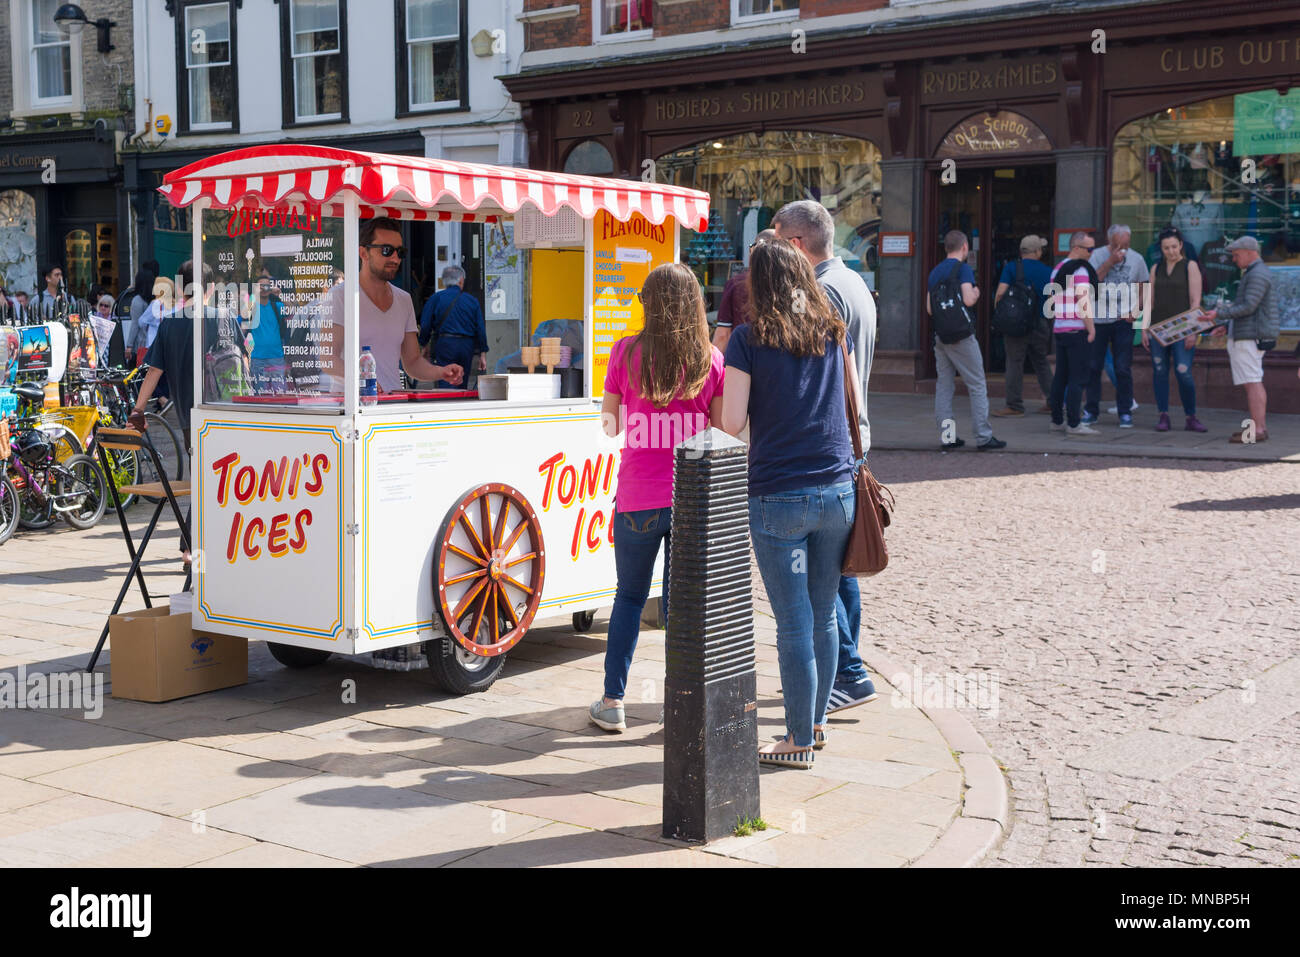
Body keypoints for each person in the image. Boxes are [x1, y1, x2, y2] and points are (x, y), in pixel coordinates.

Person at [722, 239, 859, 768]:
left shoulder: (748, 339)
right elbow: (850, 402)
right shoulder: (832, 329)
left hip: (778, 493)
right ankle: (816, 725)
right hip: (838, 491)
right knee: (823, 613)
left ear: (759, 284)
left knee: (793, 621)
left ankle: (798, 738)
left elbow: (732, 423)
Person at [589, 263, 725, 733]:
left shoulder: (624, 352)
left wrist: (641, 418)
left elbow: (610, 425)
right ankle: (679, 704)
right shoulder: (710, 359)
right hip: (690, 498)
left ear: (647, 304)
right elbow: (721, 432)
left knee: (628, 597)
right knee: (680, 606)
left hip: (637, 497)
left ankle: (612, 701)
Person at [771, 200, 879, 714]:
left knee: (826, 578)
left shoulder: (825, 291)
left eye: (774, 239)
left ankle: (849, 671)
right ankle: (842, 670)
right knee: (840, 567)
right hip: (849, 443)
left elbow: (814, 381)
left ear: (794, 245)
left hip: (829, 449)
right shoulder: (853, 281)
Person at [324, 217, 462, 392]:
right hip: (352, 407)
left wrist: (442, 372)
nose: (396, 259)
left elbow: (412, 362)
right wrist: (361, 381)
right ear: (363, 253)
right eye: (387, 250)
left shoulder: (404, 299)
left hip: (392, 404)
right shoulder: (340, 295)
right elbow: (328, 358)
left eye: (400, 252)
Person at [927, 230, 1006, 451]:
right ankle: (983, 436)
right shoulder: (963, 270)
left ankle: (948, 437)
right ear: (964, 247)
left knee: (944, 385)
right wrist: (978, 292)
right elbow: (969, 300)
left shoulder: (934, 273)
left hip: (941, 336)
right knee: (977, 384)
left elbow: (929, 308)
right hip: (962, 336)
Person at [1202, 236, 1278, 443]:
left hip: (1249, 337)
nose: (1234, 259)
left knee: (1252, 382)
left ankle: (1257, 431)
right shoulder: (1255, 273)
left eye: (1236, 255)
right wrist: (1227, 326)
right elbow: (1248, 308)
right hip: (1249, 333)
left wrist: (1218, 314)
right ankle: (1258, 428)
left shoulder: (1256, 274)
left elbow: (1248, 306)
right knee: (1252, 381)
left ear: (1247, 252)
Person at [1143, 226, 1206, 433]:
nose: (1171, 251)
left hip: (1182, 328)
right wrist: (1144, 329)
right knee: (1160, 371)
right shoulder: (1155, 268)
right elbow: (1149, 302)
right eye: (1166, 248)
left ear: (1180, 245)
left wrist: (1193, 331)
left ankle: (1191, 416)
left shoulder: (1190, 266)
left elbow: (1195, 301)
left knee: (1183, 371)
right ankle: (1163, 416)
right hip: (1158, 329)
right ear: (1160, 249)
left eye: (1173, 246)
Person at [1085, 224, 1148, 427]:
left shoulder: (1137, 259)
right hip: (1099, 318)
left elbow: (1143, 288)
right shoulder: (1096, 255)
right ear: (1109, 241)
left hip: (1123, 320)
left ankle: (1125, 411)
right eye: (1118, 244)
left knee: (1122, 368)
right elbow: (1092, 282)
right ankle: (1091, 410)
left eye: (1126, 245)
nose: (1122, 249)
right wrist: (1110, 262)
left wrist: (1136, 311)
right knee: (1094, 366)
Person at [993, 235, 1054, 416]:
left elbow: (1000, 294)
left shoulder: (1012, 268)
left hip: (1016, 324)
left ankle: (1014, 405)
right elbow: (1052, 300)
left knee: (1014, 362)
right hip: (1040, 322)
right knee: (1041, 361)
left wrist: (1002, 314)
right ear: (1037, 252)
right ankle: (1053, 401)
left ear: (1021, 252)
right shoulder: (1048, 271)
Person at [1047, 233, 1099, 436]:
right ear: (1077, 248)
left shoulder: (1058, 269)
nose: (1092, 254)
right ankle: (1075, 423)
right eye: (1089, 249)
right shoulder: (1080, 270)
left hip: (1060, 327)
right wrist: (1091, 327)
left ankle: (1057, 420)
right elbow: (1083, 300)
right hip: (1077, 328)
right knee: (1078, 378)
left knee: (1061, 376)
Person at [418, 265, 487, 388]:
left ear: (444, 281)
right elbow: (480, 329)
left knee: (445, 377)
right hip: (466, 345)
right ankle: (460, 403)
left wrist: (424, 344)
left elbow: (426, 324)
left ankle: (447, 403)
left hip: (445, 344)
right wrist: (482, 353)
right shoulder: (472, 300)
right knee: (462, 380)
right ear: (461, 280)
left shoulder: (435, 298)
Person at [711, 228, 776, 354]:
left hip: (742, 359)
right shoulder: (794, 284)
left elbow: (723, 335)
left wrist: (711, 368)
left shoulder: (736, 283)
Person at [247, 265, 289, 394]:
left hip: (276, 356)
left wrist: (280, 295)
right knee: (260, 395)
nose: (264, 289)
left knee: (280, 394)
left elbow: (294, 309)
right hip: (257, 358)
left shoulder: (277, 305)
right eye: (261, 286)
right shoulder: (251, 306)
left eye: (267, 286)